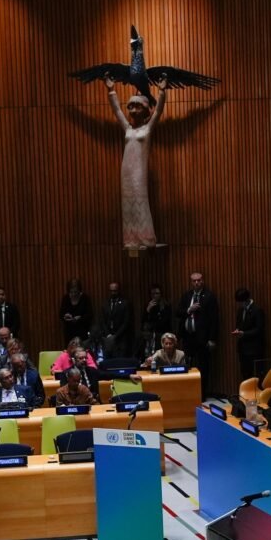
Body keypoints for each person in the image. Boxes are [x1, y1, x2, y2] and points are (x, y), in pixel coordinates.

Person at [104, 73, 168, 248]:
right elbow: (117, 111)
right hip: (125, 170)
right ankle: (131, 239)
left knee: (140, 200)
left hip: (139, 171)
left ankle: (146, 237)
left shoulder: (147, 129)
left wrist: (162, 92)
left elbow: (158, 112)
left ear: (146, 110)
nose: (132, 110)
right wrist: (111, 90)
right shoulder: (128, 129)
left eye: (137, 107)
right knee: (128, 202)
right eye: (130, 106)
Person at [176, 271, 219, 399]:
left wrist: (212, 338)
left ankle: (201, 395)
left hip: (202, 338)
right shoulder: (187, 295)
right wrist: (189, 310)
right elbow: (178, 312)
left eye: (199, 280)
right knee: (187, 366)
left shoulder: (209, 296)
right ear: (191, 282)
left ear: (202, 281)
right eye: (194, 281)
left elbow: (214, 319)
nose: (196, 283)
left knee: (203, 367)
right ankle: (189, 394)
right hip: (188, 337)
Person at [232, 288, 265, 380]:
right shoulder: (240, 310)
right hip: (243, 348)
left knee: (257, 375)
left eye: (241, 302)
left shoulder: (257, 310)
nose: (240, 304)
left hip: (254, 348)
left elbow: (259, 329)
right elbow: (239, 324)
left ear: (246, 299)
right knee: (245, 373)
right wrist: (237, 330)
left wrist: (244, 333)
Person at [99, 282, 132, 358]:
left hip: (121, 338)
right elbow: (102, 321)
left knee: (120, 360)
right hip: (108, 338)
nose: (113, 293)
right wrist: (108, 334)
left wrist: (116, 335)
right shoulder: (105, 303)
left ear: (118, 290)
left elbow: (126, 322)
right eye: (111, 291)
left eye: (115, 291)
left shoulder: (125, 303)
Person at [140, 284, 172, 359]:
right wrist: (148, 310)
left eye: (157, 293)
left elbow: (164, 321)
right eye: (153, 293)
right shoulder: (148, 305)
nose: (155, 296)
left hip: (162, 334)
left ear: (160, 294)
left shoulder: (165, 305)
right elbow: (143, 321)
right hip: (150, 335)